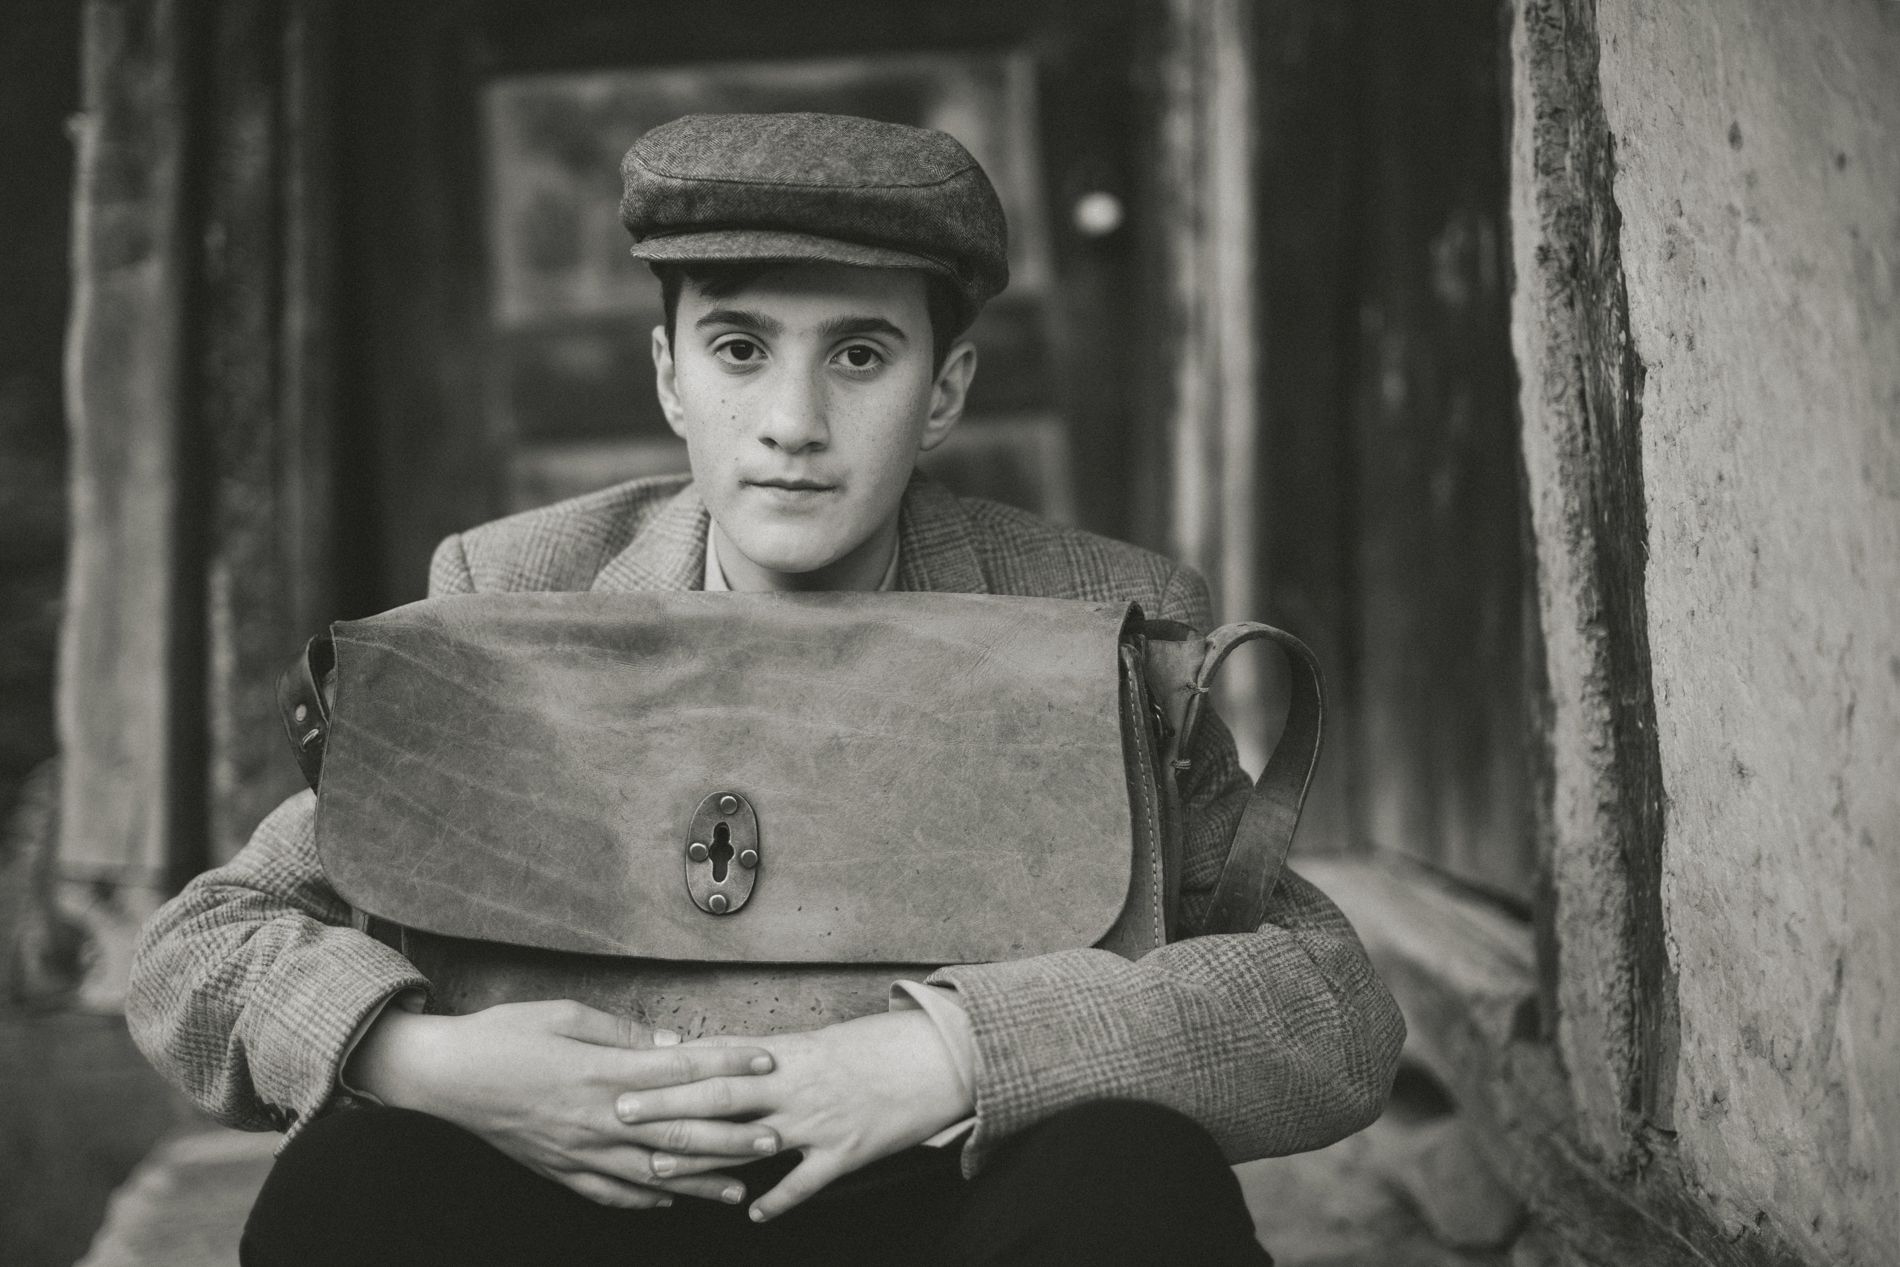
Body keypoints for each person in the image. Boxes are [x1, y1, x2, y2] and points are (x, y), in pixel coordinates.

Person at [127, 112, 1404, 1266]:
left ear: (945, 390)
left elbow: (1326, 1003)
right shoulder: (518, 595)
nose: (793, 419)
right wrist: (429, 1058)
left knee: (1129, 1176)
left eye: (860, 355)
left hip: (940, 1210)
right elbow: (199, 948)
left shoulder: (1091, 622)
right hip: (591, 1211)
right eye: (739, 348)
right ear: (669, 375)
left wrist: (956, 1051)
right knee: (354, 1181)